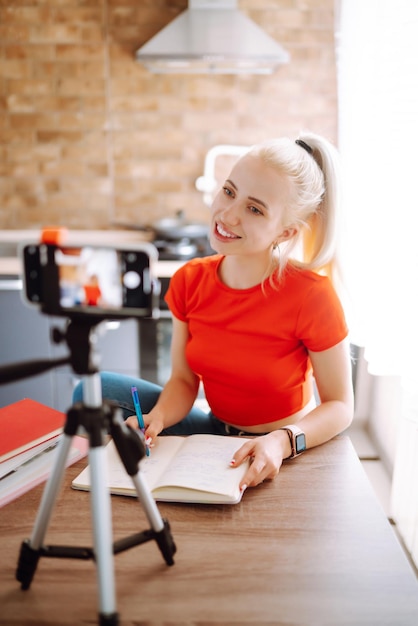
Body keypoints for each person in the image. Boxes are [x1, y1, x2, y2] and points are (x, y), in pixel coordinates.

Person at [73, 131, 354, 492]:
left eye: (254, 209)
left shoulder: (311, 295)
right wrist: (155, 420)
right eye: (229, 191)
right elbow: (184, 381)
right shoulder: (189, 280)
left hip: (281, 444)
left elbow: (341, 405)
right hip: (213, 431)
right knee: (91, 391)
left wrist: (284, 441)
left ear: (285, 232)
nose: (228, 215)